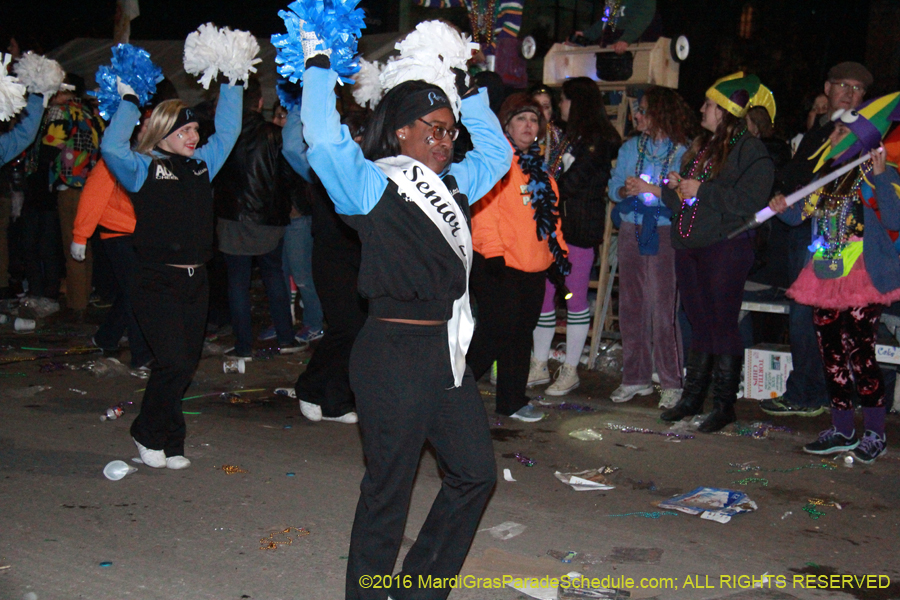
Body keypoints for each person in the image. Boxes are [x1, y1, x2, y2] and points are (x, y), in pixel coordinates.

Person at [288, 24, 510, 599]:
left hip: (444, 353)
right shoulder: (371, 186)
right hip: (390, 352)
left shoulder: (453, 186)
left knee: (475, 474)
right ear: (402, 130)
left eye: (450, 131)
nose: (445, 140)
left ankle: (418, 589)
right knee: (388, 491)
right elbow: (323, 139)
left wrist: (469, 88)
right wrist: (317, 66)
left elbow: (497, 154)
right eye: (433, 128)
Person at [101, 78, 242, 469]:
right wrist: (130, 102)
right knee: (173, 361)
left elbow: (228, 133)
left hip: (197, 281)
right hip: (156, 279)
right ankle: (146, 432)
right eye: (185, 130)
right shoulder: (142, 167)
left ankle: (172, 439)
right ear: (163, 132)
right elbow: (111, 147)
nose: (194, 136)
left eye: (195, 128)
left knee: (184, 363)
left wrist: (233, 80)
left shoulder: (201, 165)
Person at [770, 95, 900, 464]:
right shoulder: (826, 176)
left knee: (860, 353)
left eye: (840, 131)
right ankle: (842, 429)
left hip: (862, 274)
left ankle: (875, 433)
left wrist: (882, 175)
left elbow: (895, 219)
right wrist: (782, 207)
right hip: (825, 271)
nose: (831, 136)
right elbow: (800, 215)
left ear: (857, 137)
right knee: (830, 354)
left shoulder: (876, 173)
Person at [658, 72, 775, 433]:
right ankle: (693, 397)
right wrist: (675, 187)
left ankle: (724, 405)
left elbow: (751, 200)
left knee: (722, 323)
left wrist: (701, 190)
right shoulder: (703, 148)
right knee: (699, 321)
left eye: (708, 104)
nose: (702, 109)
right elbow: (683, 200)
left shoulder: (750, 150)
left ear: (724, 111)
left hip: (725, 246)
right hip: (690, 246)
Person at [760, 61, 874, 418]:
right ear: (827, 88)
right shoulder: (818, 134)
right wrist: (782, 201)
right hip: (810, 238)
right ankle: (808, 392)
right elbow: (800, 189)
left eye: (858, 89)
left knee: (840, 323)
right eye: (843, 85)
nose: (850, 93)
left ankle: (831, 396)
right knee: (805, 318)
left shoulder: (868, 137)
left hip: (849, 245)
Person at [466, 93, 569, 422]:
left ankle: (511, 400)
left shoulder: (541, 171)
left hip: (532, 266)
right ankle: (450, 395)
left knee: (521, 334)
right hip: (498, 264)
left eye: (534, 120)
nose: (528, 125)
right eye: (521, 118)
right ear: (506, 125)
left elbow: (552, 218)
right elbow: (485, 212)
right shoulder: (497, 162)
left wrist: (559, 255)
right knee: (495, 333)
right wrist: (493, 253)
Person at [529, 76, 619, 396]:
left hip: (578, 229)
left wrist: (541, 189)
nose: (560, 106)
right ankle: (539, 363)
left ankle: (570, 369)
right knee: (544, 297)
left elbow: (572, 182)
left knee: (575, 298)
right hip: (553, 228)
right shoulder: (566, 137)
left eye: (564, 100)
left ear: (578, 102)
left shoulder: (597, 139)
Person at [608, 86, 697, 408]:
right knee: (631, 306)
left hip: (664, 232)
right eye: (637, 109)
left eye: (644, 109)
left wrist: (654, 190)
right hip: (631, 228)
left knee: (663, 308)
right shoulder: (631, 147)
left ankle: (672, 382)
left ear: (662, 112)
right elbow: (614, 187)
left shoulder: (684, 152)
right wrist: (625, 190)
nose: (637, 115)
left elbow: (687, 198)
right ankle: (635, 377)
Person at [279, 111, 365, 425]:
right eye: (353, 137)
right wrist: (298, 102)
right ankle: (310, 387)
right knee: (346, 327)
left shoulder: (369, 169)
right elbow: (292, 148)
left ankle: (336, 399)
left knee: (358, 331)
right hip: (332, 257)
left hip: (361, 257)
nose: (357, 143)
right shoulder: (324, 166)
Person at [213, 77, 304, 360]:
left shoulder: (224, 136)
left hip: (232, 217)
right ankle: (286, 338)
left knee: (238, 283)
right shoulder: (274, 135)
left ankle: (243, 347)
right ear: (260, 102)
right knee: (274, 276)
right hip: (268, 218)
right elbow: (289, 176)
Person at [71, 152, 153, 369]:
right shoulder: (112, 160)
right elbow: (92, 196)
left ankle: (106, 337)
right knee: (138, 293)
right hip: (118, 234)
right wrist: (80, 236)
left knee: (132, 291)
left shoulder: (150, 158)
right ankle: (142, 356)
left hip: (142, 235)